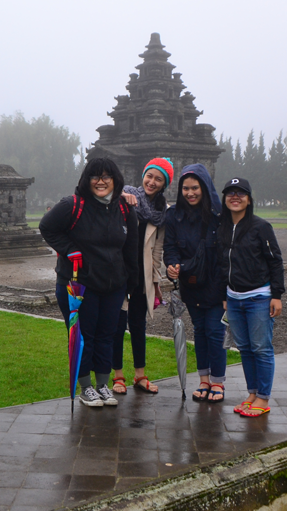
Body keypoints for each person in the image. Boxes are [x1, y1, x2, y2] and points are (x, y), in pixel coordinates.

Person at [39, 158, 138, 407]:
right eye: (95, 176)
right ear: (87, 180)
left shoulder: (124, 209)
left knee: (108, 335)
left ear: (115, 180)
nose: (101, 181)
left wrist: (130, 284)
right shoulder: (73, 205)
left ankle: (103, 385)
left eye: (107, 176)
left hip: (114, 285)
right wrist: (69, 249)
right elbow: (47, 227)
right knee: (84, 336)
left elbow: (131, 249)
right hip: (79, 284)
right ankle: (86, 387)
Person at [218, 178, 285, 418]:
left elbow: (275, 261)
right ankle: (252, 392)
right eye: (230, 193)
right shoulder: (222, 227)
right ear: (224, 198)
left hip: (258, 297)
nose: (235, 197)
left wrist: (276, 295)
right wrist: (224, 295)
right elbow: (221, 264)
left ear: (249, 199)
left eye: (241, 193)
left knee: (261, 348)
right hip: (233, 298)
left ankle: (263, 397)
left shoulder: (260, 226)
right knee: (245, 348)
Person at [164, 164, 227, 403]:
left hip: (216, 283)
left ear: (205, 187)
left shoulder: (219, 216)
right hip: (191, 283)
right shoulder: (173, 216)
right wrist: (171, 265)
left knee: (214, 331)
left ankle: (218, 382)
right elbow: (170, 247)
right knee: (199, 332)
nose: (190, 193)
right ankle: (203, 380)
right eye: (185, 188)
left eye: (195, 188)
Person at [112, 158, 174, 395]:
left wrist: (156, 281)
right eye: (150, 176)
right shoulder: (125, 197)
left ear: (164, 184)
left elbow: (157, 249)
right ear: (143, 175)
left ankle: (140, 375)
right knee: (117, 327)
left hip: (141, 276)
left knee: (138, 326)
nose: (152, 182)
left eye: (158, 179)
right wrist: (120, 197)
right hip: (119, 272)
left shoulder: (161, 212)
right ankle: (118, 376)